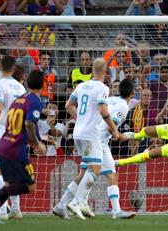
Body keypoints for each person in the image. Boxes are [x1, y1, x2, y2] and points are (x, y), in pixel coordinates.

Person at [53, 79, 136, 220]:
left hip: (88, 135)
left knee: (87, 174)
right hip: (98, 141)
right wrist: (119, 135)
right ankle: (78, 202)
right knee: (108, 174)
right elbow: (111, 126)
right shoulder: (124, 106)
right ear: (133, 93)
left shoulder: (110, 99)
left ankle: (61, 206)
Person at [64, 58, 119, 220]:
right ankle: (76, 202)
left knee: (90, 168)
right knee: (95, 169)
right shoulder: (102, 88)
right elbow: (103, 109)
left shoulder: (81, 86)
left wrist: (80, 119)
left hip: (78, 132)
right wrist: (114, 129)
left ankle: (76, 203)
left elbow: (68, 105)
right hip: (90, 133)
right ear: (105, 71)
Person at [0, 71, 47, 224]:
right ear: (43, 85)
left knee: (10, 183)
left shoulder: (19, 100)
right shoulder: (35, 101)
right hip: (16, 150)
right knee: (30, 186)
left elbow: (22, 122)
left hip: (3, 145)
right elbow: (29, 123)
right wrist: (37, 143)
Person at [0, 56, 26, 221]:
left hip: (2, 131)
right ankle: (16, 210)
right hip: (17, 133)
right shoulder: (21, 87)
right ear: (13, 69)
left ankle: (2, 210)